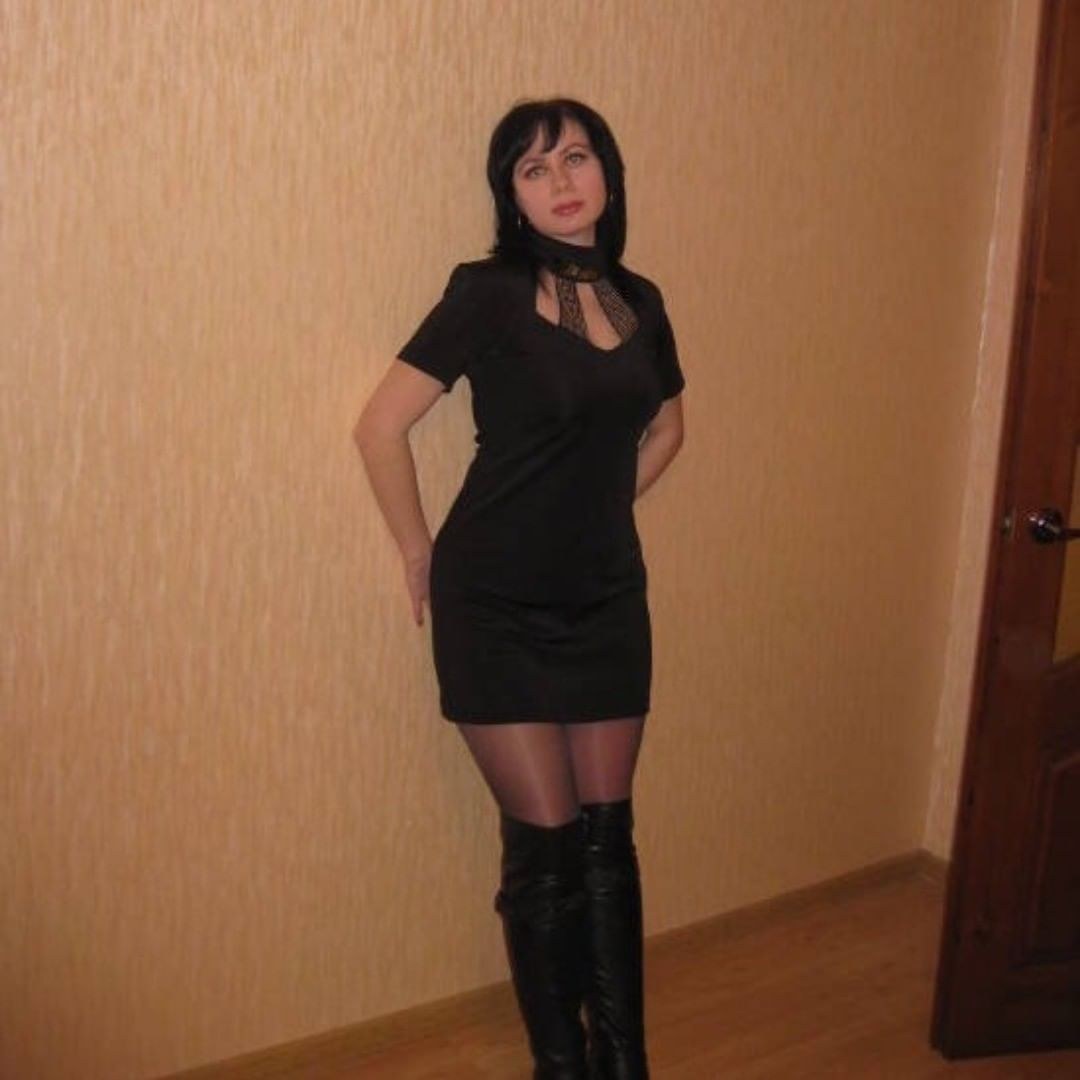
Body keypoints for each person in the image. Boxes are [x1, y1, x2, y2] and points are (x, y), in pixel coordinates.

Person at [354, 97, 685, 1080]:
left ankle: (624, 1060)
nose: (560, 182)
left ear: (608, 175)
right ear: (512, 197)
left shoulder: (643, 301)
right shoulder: (489, 292)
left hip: (607, 597)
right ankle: (561, 1064)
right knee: (546, 848)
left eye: (575, 158)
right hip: (493, 604)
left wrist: (596, 506)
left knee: (608, 840)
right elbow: (380, 426)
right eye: (533, 170)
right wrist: (418, 547)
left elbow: (670, 427)